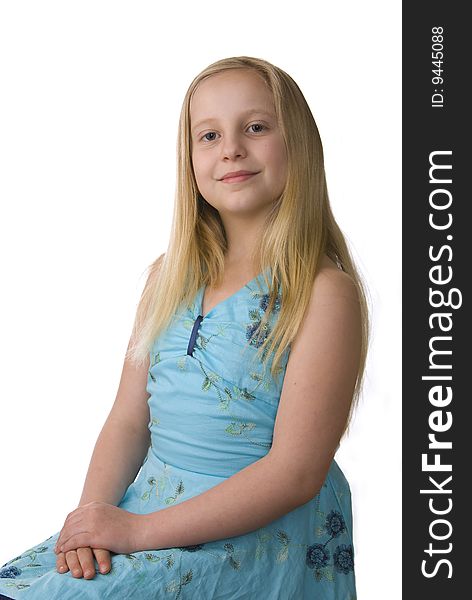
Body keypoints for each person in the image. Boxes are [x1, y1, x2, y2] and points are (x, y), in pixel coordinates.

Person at [0, 55, 369, 599]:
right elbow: (129, 420)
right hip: (147, 510)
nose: (232, 149)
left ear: (300, 145)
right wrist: (91, 522)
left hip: (249, 536)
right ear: (189, 159)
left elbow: (294, 473)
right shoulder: (167, 278)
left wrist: (138, 532)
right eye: (210, 135)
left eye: (257, 127)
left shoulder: (322, 292)